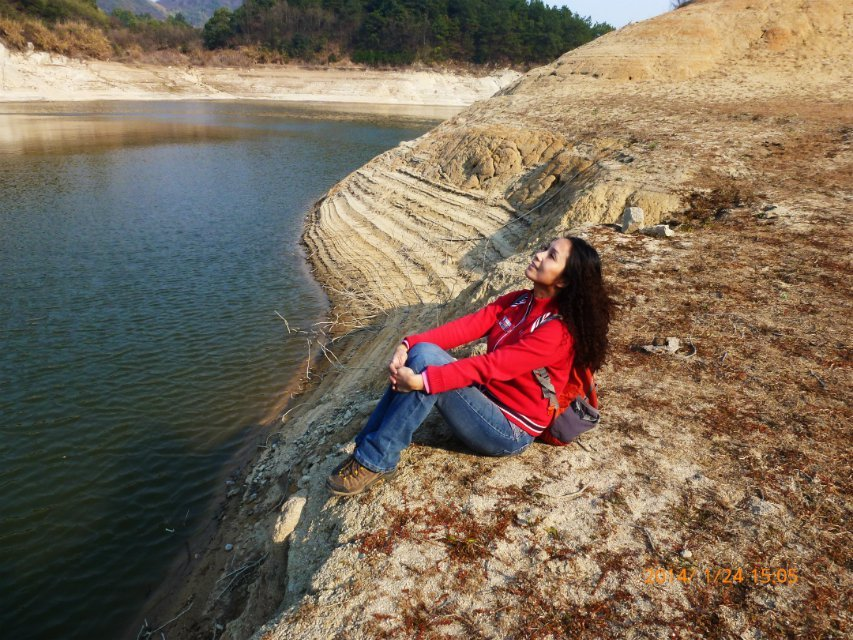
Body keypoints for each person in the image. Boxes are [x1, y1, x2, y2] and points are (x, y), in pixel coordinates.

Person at [326, 236, 613, 496]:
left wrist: (423, 382)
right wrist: (408, 344)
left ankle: (375, 460)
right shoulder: (520, 301)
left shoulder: (557, 332)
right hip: (487, 400)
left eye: (551, 256)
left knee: (427, 367)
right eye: (544, 248)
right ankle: (367, 448)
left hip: (509, 429)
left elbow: (493, 366)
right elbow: (466, 327)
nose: (539, 255)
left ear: (564, 280)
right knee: (423, 352)